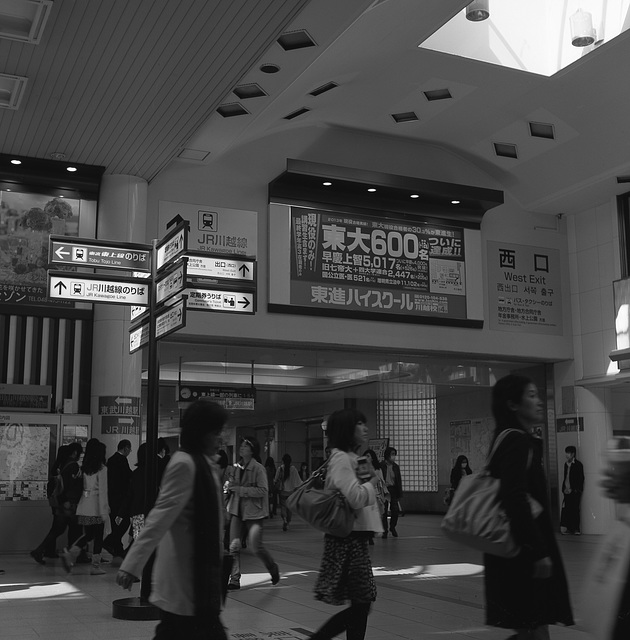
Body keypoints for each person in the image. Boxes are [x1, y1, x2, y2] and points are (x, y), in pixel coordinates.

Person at [116, 399, 229, 640]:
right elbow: (158, 518)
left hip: (198, 583)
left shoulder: (206, 464)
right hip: (187, 581)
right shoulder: (185, 464)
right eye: (215, 433)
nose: (219, 439)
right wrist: (132, 564)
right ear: (201, 433)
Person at [484, 374, 574, 640]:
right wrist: (538, 551)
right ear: (513, 404)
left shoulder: (506, 437)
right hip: (522, 552)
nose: (538, 402)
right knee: (535, 626)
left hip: (512, 548)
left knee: (532, 626)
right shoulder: (516, 441)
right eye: (531, 396)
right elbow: (514, 497)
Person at [309, 408, 382, 640]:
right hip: (346, 540)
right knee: (362, 604)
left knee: (361, 603)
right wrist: (372, 482)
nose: (365, 427)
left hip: (355, 538)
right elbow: (355, 497)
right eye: (359, 423)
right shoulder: (341, 459)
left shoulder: (354, 458)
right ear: (346, 430)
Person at [226, 439, 279, 590]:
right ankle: (234, 579)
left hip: (254, 512)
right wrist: (230, 487)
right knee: (233, 546)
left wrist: (242, 490)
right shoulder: (237, 467)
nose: (241, 448)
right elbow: (233, 485)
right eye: (241, 445)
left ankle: (272, 567)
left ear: (252, 450)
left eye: (245, 446)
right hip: (237, 510)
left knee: (256, 547)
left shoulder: (258, 468)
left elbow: (263, 490)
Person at [61, 439, 111, 575]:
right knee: (98, 536)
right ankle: (95, 566)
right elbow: (102, 492)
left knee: (88, 534)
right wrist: (104, 511)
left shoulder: (83, 468)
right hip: (96, 508)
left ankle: (71, 552)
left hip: (84, 507)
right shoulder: (102, 469)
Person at [31, 442, 84, 564]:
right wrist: (68, 501)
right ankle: (72, 555)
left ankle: (41, 550)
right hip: (68, 505)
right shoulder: (73, 466)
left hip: (62, 503)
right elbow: (71, 486)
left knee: (58, 529)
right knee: (70, 530)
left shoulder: (64, 464)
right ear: (75, 452)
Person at [103, 439, 132, 557]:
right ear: (125, 448)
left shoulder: (110, 460)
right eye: (129, 449)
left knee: (116, 524)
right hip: (121, 499)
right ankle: (109, 542)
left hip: (111, 498)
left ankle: (117, 548)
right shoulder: (122, 460)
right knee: (124, 523)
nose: (130, 452)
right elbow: (127, 477)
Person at [364, 449, 388, 545]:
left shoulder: (378, 470)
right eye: (366, 456)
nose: (367, 458)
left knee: (378, 514)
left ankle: (374, 533)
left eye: (369, 456)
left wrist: (383, 494)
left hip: (376, 494)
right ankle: (369, 536)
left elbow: (381, 482)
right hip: (365, 494)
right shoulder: (362, 468)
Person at [559, 446, 584, 535]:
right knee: (568, 509)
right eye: (566, 453)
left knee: (575, 509)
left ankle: (576, 529)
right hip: (566, 490)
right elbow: (566, 477)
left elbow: (581, 478)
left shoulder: (578, 464)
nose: (567, 455)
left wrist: (577, 490)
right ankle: (569, 528)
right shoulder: (566, 464)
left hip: (574, 491)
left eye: (568, 453)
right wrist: (564, 489)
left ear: (573, 454)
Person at [274, 453, 301, 531]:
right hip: (291, 493)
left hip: (282, 491)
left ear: (282, 461)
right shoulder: (293, 469)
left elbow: (276, 479)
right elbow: (298, 481)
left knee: (283, 507)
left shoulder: (280, 469)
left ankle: (284, 519)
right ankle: (288, 522)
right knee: (289, 509)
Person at [380, 446, 403, 538]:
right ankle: (384, 530)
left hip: (393, 489)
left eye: (395, 454)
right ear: (387, 455)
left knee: (395, 509)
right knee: (384, 511)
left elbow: (398, 480)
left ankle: (392, 527)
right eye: (392, 454)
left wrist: (399, 493)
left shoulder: (396, 467)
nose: (393, 456)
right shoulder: (381, 465)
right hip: (384, 489)